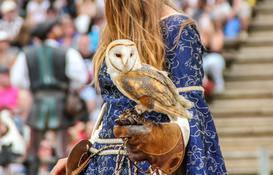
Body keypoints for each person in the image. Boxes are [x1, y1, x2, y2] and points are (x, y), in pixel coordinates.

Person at [52, 0, 227, 174]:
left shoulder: (177, 29)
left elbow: (192, 115)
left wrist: (162, 144)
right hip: (101, 163)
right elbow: (112, 105)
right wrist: (85, 156)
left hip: (148, 166)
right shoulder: (113, 28)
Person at [10, 19, 88, 175]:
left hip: (38, 101)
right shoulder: (67, 52)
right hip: (60, 102)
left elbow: (17, 79)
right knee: (61, 148)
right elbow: (81, 77)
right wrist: (66, 87)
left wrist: (35, 87)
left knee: (33, 147)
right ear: (50, 32)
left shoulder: (27, 54)